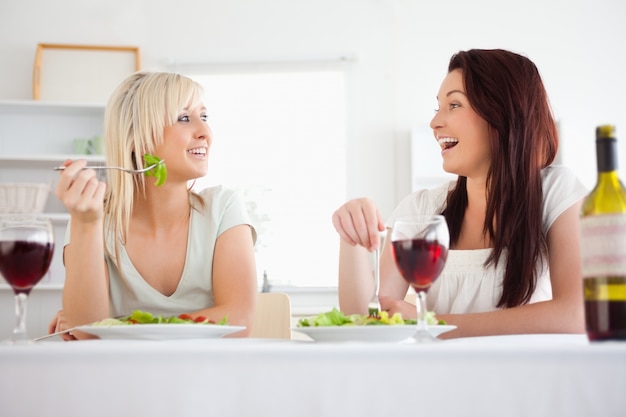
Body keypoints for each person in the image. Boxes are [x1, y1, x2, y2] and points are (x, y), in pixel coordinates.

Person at [332, 49, 588, 339]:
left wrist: (431, 323)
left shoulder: (555, 192)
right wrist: (351, 233)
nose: (435, 123)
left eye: (454, 105)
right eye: (437, 107)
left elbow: (576, 314)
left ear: (502, 113)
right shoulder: (422, 210)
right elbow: (365, 324)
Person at [48, 71, 258, 339]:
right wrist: (85, 223)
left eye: (204, 117)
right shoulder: (91, 218)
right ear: (137, 140)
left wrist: (122, 326)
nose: (205, 132)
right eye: (184, 118)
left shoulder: (224, 208)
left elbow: (238, 322)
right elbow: (88, 332)